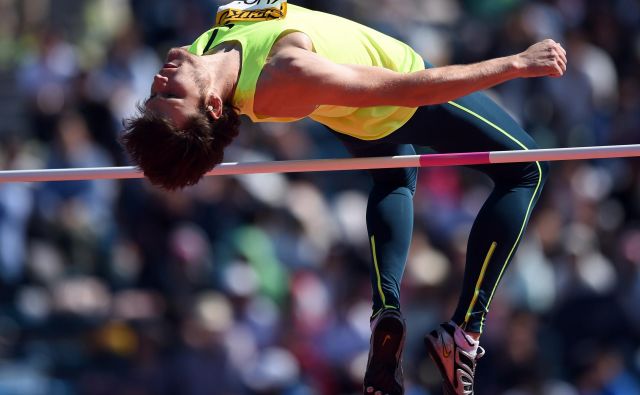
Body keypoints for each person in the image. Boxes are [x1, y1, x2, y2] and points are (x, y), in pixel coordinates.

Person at [121, 1, 566, 394]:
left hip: (353, 113)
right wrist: (516, 63)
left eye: (157, 93)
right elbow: (412, 88)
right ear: (213, 106)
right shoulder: (284, 74)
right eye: (172, 93)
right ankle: (465, 332)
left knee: (395, 179)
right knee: (528, 169)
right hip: (394, 95)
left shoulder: (208, 44)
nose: (161, 79)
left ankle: (386, 312)